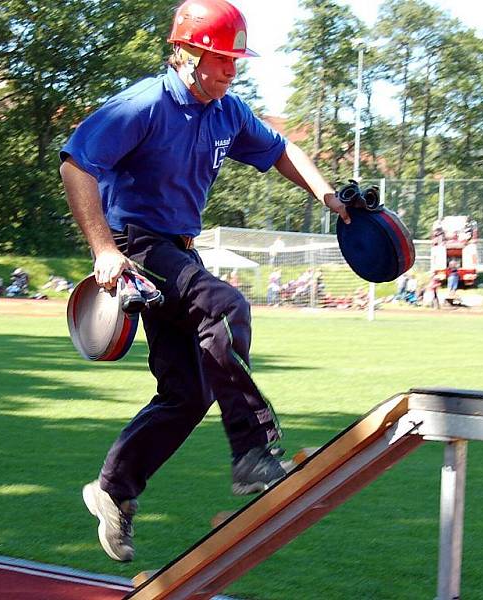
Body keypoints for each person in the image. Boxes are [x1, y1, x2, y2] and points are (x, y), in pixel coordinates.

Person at [59, 0, 350, 564]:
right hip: (138, 246)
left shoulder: (227, 111)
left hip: (176, 250)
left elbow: (280, 149)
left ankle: (114, 489)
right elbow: (76, 164)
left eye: (236, 60)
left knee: (187, 394)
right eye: (222, 59)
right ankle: (253, 450)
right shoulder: (143, 104)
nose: (231, 70)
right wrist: (102, 249)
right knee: (224, 305)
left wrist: (328, 195)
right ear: (187, 53)